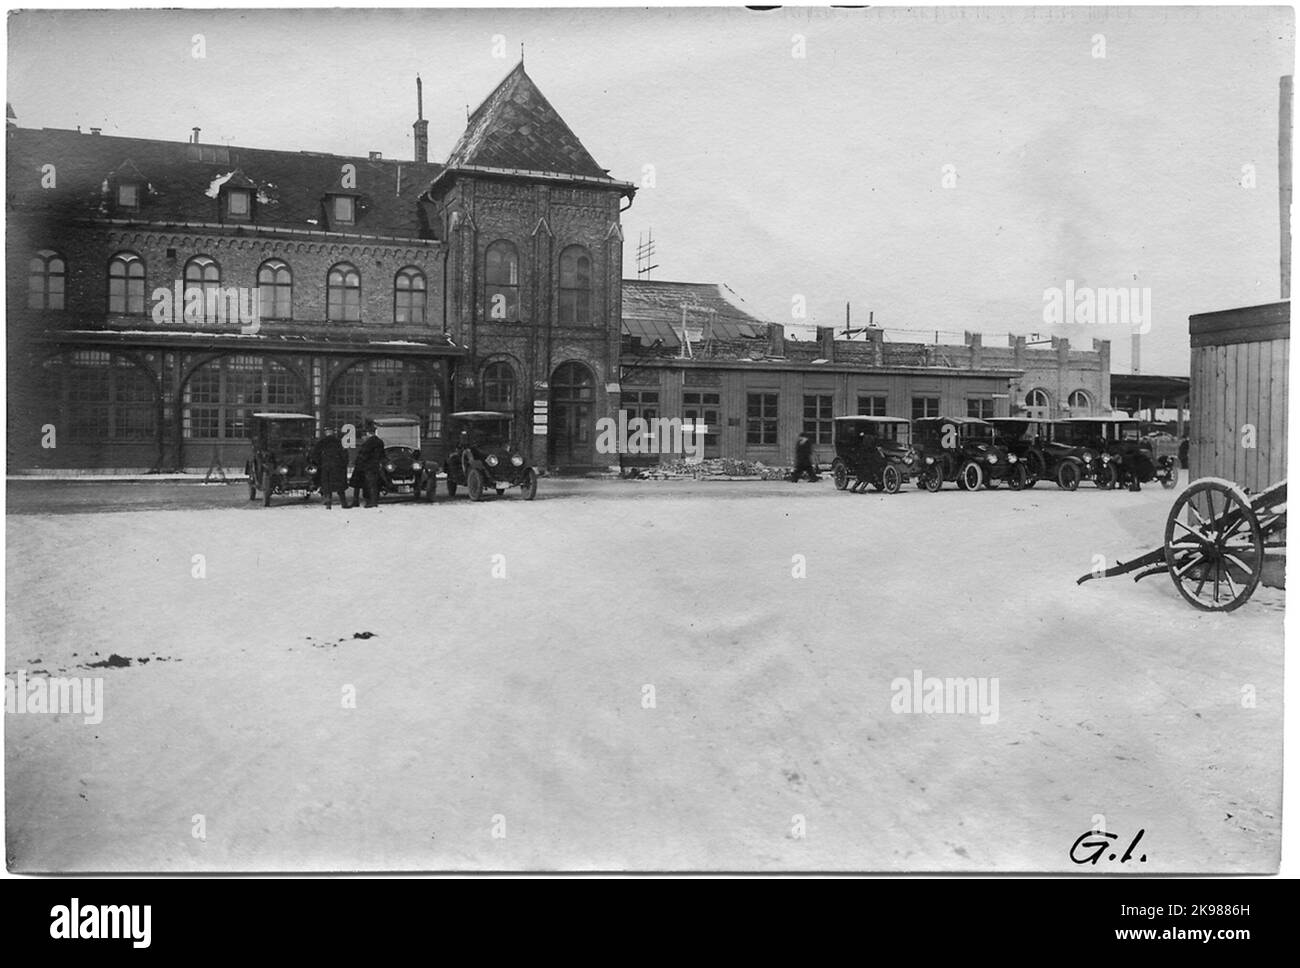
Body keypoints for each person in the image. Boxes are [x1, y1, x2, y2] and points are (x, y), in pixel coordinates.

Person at [310, 426, 349, 509]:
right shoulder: (339, 442)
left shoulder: (321, 442)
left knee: (327, 486)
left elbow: (315, 455)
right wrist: (343, 464)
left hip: (325, 467)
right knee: (340, 486)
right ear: (333, 432)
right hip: (337, 467)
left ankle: (328, 503)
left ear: (326, 433)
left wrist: (319, 464)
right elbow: (344, 455)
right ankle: (344, 503)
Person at [352, 421, 386, 508]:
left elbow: (364, 454)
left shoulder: (369, 443)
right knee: (373, 484)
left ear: (368, 433)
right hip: (375, 465)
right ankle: (373, 501)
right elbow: (382, 454)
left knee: (369, 484)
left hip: (367, 466)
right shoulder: (380, 442)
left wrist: (358, 462)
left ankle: (371, 502)